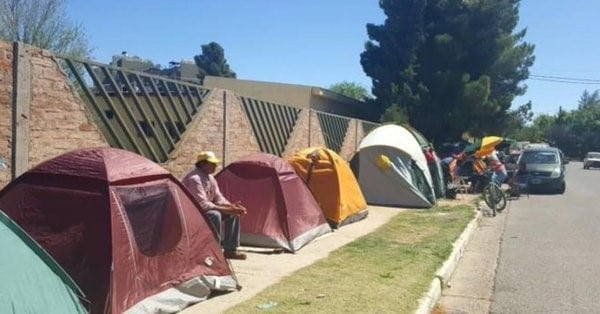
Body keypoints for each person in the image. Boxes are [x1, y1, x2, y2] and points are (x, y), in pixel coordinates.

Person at [182, 151, 248, 260]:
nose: (215, 166)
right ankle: (213, 250)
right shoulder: (194, 179)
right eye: (212, 163)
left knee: (233, 214)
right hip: (192, 213)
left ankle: (230, 250)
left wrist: (231, 207)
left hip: (206, 210)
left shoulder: (210, 178)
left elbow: (218, 197)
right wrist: (226, 209)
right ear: (203, 164)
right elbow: (202, 204)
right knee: (215, 215)